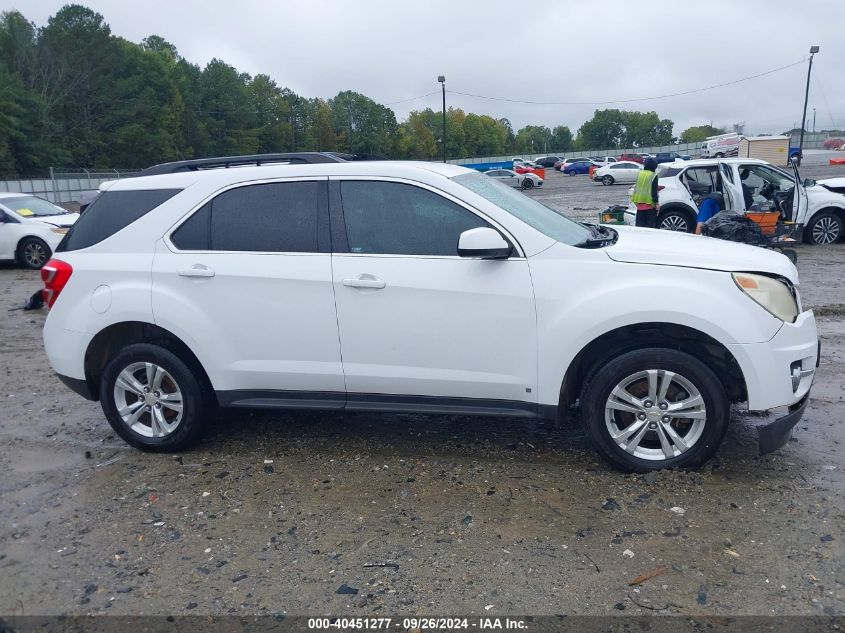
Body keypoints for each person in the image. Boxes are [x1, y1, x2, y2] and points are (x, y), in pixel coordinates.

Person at [630, 157, 659, 227]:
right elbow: (654, 191)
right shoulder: (653, 175)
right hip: (649, 205)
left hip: (639, 204)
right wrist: (657, 203)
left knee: (640, 227)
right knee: (649, 228)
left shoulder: (640, 173)